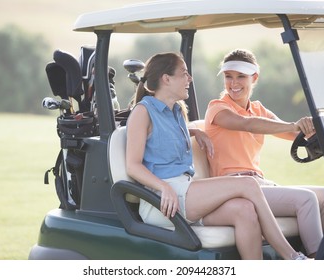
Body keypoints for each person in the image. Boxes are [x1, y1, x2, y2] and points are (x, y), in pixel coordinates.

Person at [126, 52, 308, 260]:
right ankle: (293, 257)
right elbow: (133, 165)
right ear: (166, 79)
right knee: (248, 184)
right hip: (163, 200)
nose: (189, 79)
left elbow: (162, 135)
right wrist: (163, 187)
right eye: (184, 74)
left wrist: (195, 132)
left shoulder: (176, 111)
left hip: (185, 194)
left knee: (245, 210)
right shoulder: (143, 112)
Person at [205, 48, 324, 258]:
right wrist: (294, 125)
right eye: (228, 77)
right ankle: (317, 261)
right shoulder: (217, 108)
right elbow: (247, 124)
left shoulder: (258, 109)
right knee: (305, 200)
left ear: (254, 78)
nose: (233, 83)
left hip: (258, 184)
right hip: (232, 187)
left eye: (241, 76)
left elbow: (289, 132)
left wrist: (312, 127)